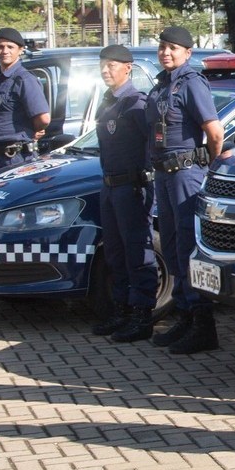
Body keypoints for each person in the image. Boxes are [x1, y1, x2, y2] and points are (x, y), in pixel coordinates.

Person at [145, 26, 224, 355]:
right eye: (163, 47)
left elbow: (214, 131)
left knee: (190, 246)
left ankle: (203, 324)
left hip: (186, 174)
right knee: (176, 245)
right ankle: (185, 315)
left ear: (188, 52)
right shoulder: (162, 85)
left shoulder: (191, 83)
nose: (166, 52)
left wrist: (209, 164)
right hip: (164, 175)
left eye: (173, 48)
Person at [90, 45, 159, 342]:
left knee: (137, 252)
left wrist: (145, 179)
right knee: (116, 253)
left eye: (112, 65)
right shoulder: (107, 102)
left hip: (131, 187)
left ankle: (142, 316)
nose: (106, 70)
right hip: (109, 186)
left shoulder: (136, 103)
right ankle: (122, 311)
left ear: (127, 68)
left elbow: (152, 145)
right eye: (103, 65)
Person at [0, 28, 50, 172]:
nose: (4, 51)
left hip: (17, 157)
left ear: (20, 50)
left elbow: (43, 119)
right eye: (0, 46)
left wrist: (32, 130)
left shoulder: (24, 79)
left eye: (10, 47)